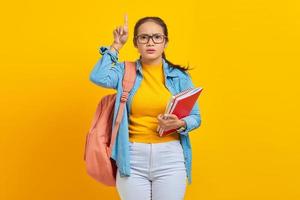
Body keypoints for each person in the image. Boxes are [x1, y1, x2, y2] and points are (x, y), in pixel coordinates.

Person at [89, 14, 202, 200]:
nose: (151, 42)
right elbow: (98, 77)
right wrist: (116, 46)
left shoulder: (179, 77)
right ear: (136, 43)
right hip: (131, 157)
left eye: (157, 37)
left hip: (170, 158)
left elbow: (196, 117)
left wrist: (179, 123)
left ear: (165, 42)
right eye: (144, 37)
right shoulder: (125, 71)